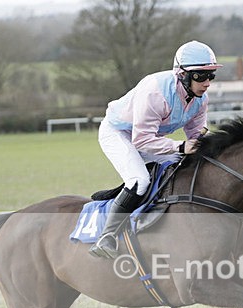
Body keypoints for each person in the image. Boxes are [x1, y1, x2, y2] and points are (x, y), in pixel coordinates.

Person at [89, 40, 222, 259]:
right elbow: (141, 140)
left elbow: (196, 134)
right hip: (118, 133)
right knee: (140, 180)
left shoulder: (201, 99)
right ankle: (107, 236)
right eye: (200, 76)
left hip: (150, 136)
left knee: (182, 165)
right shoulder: (155, 93)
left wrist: (202, 145)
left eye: (211, 76)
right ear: (182, 74)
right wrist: (180, 146)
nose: (207, 83)